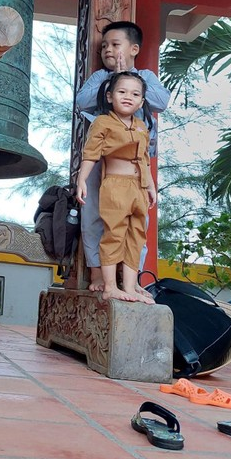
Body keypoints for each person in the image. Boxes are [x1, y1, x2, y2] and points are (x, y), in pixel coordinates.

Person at [75, 21, 170, 291]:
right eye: (104, 46)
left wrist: (128, 79)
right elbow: (82, 102)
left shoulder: (146, 77)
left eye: (115, 44)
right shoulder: (99, 78)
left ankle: (132, 279)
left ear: (134, 49)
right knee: (94, 213)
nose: (108, 50)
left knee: (137, 221)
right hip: (102, 160)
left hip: (136, 165)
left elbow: (161, 102)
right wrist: (112, 80)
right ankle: (97, 273)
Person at [75, 71, 157, 303]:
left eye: (135, 94)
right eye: (122, 92)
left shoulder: (141, 126)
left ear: (141, 101)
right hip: (115, 186)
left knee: (136, 236)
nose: (128, 97)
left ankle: (129, 287)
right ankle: (110, 286)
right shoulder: (103, 122)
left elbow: (145, 160)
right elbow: (91, 154)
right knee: (114, 233)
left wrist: (150, 187)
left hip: (138, 187)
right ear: (110, 96)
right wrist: (82, 180)